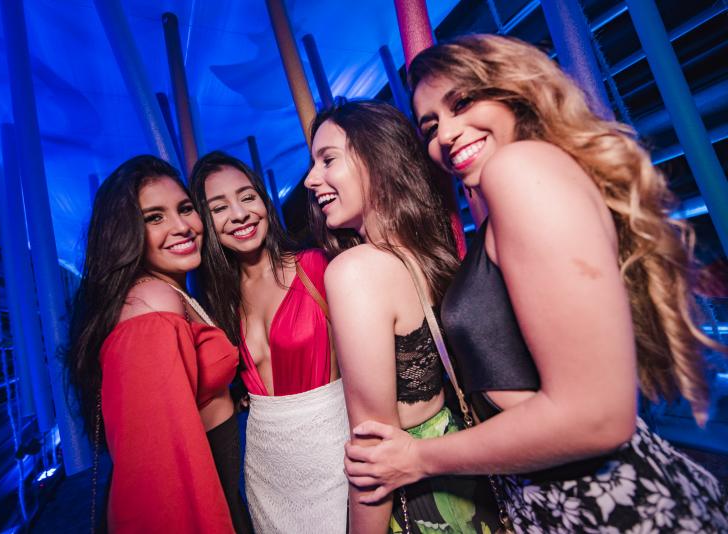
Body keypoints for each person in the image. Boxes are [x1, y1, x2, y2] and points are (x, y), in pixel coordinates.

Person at [342, 35, 728, 532]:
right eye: (431, 126)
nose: (448, 134)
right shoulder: (519, 189)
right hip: (569, 497)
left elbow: (596, 417)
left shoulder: (518, 169)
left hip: (604, 505)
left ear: (513, 92)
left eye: (463, 103)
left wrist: (418, 458)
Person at [304, 101, 500, 533]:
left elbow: (374, 449)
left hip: (420, 499)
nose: (310, 179)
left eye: (328, 160)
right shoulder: (427, 253)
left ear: (377, 158)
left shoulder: (356, 271)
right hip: (466, 480)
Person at [66, 155, 250, 533]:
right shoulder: (152, 303)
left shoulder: (171, 291)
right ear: (125, 234)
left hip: (220, 492)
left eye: (185, 209)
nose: (181, 227)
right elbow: (161, 473)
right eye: (154, 218)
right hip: (193, 510)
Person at [189, 151, 349, 533]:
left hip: (335, 457)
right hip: (267, 472)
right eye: (219, 208)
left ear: (264, 201)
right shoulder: (218, 304)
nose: (240, 214)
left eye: (247, 197)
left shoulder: (317, 267)